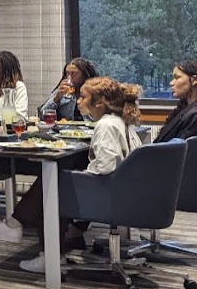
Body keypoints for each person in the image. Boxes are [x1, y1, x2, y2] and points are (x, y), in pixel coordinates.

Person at [14, 77, 145, 273]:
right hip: (126, 192)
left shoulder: (106, 125)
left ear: (99, 103)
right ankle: (29, 229)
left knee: (53, 187)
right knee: (61, 181)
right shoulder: (119, 120)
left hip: (111, 197)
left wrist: (79, 177)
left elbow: (105, 166)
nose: (78, 101)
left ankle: (49, 258)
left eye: (83, 97)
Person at [40, 58, 99, 123]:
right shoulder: (62, 90)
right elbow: (42, 116)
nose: (69, 78)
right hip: (65, 130)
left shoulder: (95, 92)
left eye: (74, 74)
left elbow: (97, 119)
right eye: (67, 74)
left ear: (84, 75)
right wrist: (56, 98)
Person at [156, 60, 197, 143]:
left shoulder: (194, 115)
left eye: (177, 77)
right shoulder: (184, 109)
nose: (171, 83)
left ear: (194, 80)